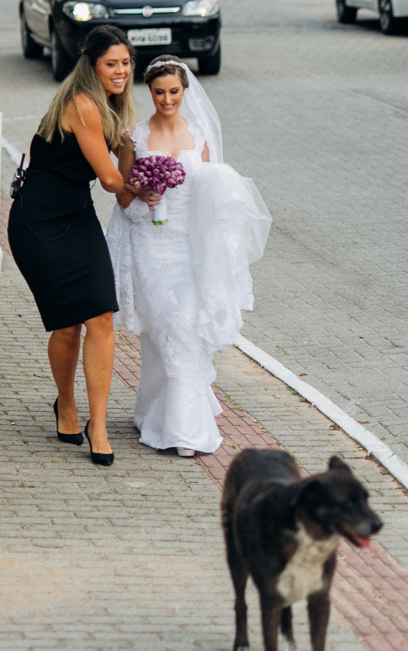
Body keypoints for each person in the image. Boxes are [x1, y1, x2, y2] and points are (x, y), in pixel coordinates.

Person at [107, 56, 271, 457]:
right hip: (151, 244)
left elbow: (211, 190)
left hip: (191, 248)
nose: (167, 99)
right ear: (150, 91)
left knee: (190, 328)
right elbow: (122, 193)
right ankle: (183, 430)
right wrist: (143, 195)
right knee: (170, 329)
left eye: (174, 92)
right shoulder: (135, 136)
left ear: (185, 92)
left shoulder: (199, 135)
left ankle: (155, 413)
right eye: (159, 92)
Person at [6, 26, 154, 466]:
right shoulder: (83, 104)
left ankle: (100, 424)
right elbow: (111, 181)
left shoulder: (112, 105)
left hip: (75, 215)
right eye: (112, 63)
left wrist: (143, 163)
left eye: (126, 63)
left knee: (101, 315)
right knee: (68, 324)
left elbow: (121, 170)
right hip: (38, 219)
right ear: (92, 65)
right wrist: (136, 182)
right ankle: (66, 406)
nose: (122, 71)